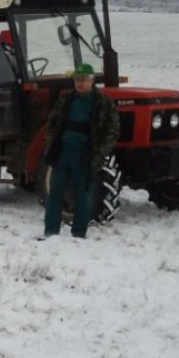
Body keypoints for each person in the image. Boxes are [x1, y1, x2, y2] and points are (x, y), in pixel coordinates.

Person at [41, 63, 119, 239]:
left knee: (83, 194)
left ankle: (79, 233)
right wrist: (51, 145)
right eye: (77, 80)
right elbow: (52, 123)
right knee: (55, 193)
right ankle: (51, 232)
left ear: (92, 81)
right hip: (63, 152)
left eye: (83, 80)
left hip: (85, 154)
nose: (80, 84)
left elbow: (112, 130)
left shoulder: (103, 103)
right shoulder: (66, 100)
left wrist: (99, 154)